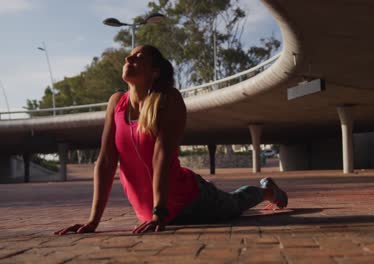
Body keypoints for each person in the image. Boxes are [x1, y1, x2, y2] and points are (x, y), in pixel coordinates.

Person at [54, 45, 288, 235]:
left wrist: (159, 212)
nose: (128, 58)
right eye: (129, 55)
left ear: (154, 72)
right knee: (233, 203)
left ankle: (267, 190)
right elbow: (106, 161)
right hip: (154, 212)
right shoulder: (116, 103)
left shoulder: (167, 100)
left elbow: (161, 155)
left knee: (236, 203)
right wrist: (93, 221)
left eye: (138, 57)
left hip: (190, 200)